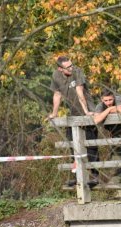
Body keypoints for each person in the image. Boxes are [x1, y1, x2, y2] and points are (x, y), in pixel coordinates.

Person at [48, 56, 99, 186]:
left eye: (71, 65)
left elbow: (79, 90)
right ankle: (78, 176)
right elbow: (57, 94)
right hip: (73, 113)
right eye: (68, 67)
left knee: (90, 144)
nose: (71, 68)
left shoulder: (77, 71)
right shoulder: (56, 76)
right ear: (60, 69)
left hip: (87, 110)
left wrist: (86, 112)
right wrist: (54, 113)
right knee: (72, 145)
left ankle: (94, 175)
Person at [94, 89, 121, 184]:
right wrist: (109, 109)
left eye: (110, 100)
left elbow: (120, 109)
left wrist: (106, 112)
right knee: (117, 162)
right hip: (115, 135)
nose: (108, 102)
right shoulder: (100, 105)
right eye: (106, 101)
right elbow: (96, 119)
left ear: (114, 97)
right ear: (102, 100)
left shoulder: (119, 99)